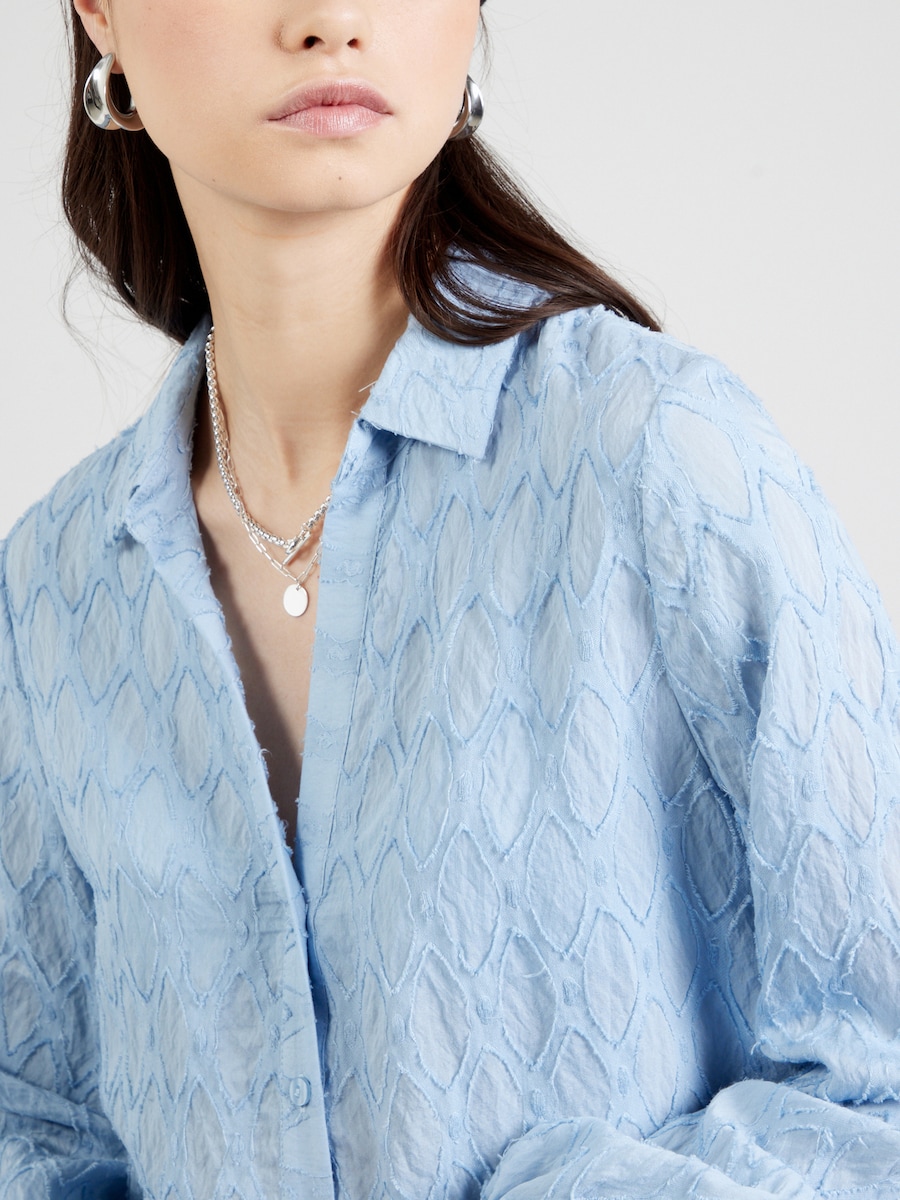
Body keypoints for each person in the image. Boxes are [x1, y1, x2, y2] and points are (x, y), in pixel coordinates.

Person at [1, 0, 898, 1196]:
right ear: (100, 12)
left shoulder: (660, 460)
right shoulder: (52, 597)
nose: (331, 18)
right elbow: (37, 1128)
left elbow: (880, 1083)